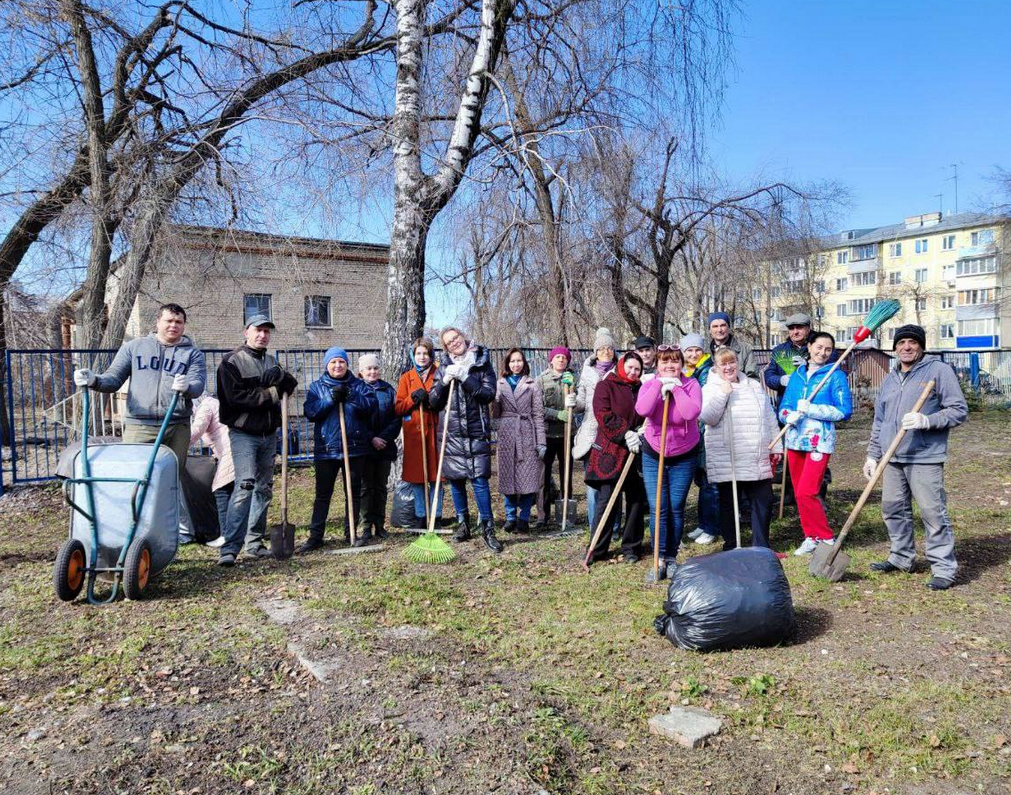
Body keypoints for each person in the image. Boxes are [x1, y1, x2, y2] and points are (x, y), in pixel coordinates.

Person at [864, 324, 968, 590]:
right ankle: (901, 558)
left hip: (924, 456)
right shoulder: (890, 378)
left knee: (933, 513)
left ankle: (944, 568)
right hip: (891, 456)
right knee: (892, 509)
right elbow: (880, 421)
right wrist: (873, 455)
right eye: (901, 343)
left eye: (912, 342)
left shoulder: (938, 371)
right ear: (895, 347)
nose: (906, 347)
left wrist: (927, 420)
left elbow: (958, 410)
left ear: (921, 346)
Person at [73, 303, 206, 473]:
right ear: (158, 322)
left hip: (177, 428)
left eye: (178, 322)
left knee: (172, 478)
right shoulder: (133, 348)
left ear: (184, 325)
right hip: (140, 426)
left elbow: (198, 385)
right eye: (169, 320)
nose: (173, 325)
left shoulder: (193, 354)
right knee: (135, 475)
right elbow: (113, 378)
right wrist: (93, 380)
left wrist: (187, 387)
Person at [216, 315, 297, 565]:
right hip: (244, 433)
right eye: (258, 330)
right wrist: (274, 392)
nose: (262, 335)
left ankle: (254, 543)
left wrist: (282, 377)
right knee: (245, 485)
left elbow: (291, 384)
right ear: (246, 332)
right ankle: (230, 548)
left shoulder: (271, 361)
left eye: (266, 331)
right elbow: (236, 398)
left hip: (268, 433)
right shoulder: (231, 362)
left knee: (264, 487)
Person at [778, 331, 853, 556]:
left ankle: (826, 537)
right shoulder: (797, 375)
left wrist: (811, 410)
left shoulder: (835, 376)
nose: (822, 353)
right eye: (819, 347)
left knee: (807, 491)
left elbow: (844, 411)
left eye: (828, 349)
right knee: (799, 492)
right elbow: (785, 406)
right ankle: (811, 536)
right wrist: (786, 415)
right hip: (794, 441)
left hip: (818, 442)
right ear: (809, 347)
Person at [700, 347, 782, 550]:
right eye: (723, 364)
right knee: (729, 502)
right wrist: (722, 394)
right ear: (716, 367)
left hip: (756, 453)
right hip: (728, 455)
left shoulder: (753, 385)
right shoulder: (710, 388)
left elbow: (769, 416)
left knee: (764, 499)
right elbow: (707, 418)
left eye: (732, 362)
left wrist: (776, 445)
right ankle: (732, 544)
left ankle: (761, 545)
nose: (729, 367)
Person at [428, 327, 501, 552]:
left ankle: (488, 528)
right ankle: (463, 524)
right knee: (457, 481)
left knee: (479, 480)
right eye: (449, 342)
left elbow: (488, 394)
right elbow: (433, 402)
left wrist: (465, 377)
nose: (454, 343)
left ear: (463, 337)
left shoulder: (481, 362)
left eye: (456, 338)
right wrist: (443, 382)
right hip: (451, 434)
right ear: (446, 347)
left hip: (476, 430)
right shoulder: (442, 368)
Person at [299, 347, 379, 553]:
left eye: (341, 362)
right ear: (327, 365)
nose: (337, 365)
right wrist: (331, 399)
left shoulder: (359, 386)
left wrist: (350, 395)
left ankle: (350, 533)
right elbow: (311, 412)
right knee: (322, 494)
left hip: (354, 449)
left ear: (347, 364)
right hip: (327, 449)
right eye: (333, 362)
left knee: (352, 493)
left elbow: (371, 407)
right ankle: (315, 537)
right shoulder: (317, 387)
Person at [635, 344, 702, 581]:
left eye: (674, 361)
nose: (670, 366)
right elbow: (642, 409)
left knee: (675, 507)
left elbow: (690, 413)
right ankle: (658, 559)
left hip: (684, 454)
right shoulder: (649, 383)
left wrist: (677, 390)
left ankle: (672, 557)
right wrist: (658, 387)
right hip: (655, 453)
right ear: (657, 364)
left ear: (681, 364)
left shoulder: (691, 385)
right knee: (657, 509)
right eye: (664, 362)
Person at [585, 351, 646, 564]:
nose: (633, 371)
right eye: (630, 367)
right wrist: (624, 433)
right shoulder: (606, 385)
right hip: (610, 452)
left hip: (636, 451)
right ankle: (597, 548)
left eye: (637, 369)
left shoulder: (642, 389)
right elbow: (602, 414)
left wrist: (640, 431)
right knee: (608, 500)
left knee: (636, 500)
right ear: (621, 366)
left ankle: (631, 548)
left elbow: (646, 413)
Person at [493, 348, 546, 533]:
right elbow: (495, 414)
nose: (516, 364)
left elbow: (538, 415)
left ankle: (523, 517)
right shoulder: (499, 384)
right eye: (512, 361)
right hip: (507, 435)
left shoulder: (532, 384)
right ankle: (510, 517)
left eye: (519, 361)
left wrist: (541, 442)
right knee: (507, 477)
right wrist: (493, 401)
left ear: (524, 363)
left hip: (527, 433)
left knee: (528, 479)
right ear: (507, 364)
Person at [572, 327, 619, 534]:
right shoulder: (587, 372)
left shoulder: (620, 371)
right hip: (591, 433)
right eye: (601, 349)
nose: (606, 352)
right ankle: (595, 528)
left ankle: (614, 527)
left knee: (612, 484)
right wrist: (573, 402)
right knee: (592, 487)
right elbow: (581, 403)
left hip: (612, 434)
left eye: (609, 348)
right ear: (595, 352)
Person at [394, 337, 444, 526]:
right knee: (417, 478)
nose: (422, 357)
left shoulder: (439, 374)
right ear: (413, 356)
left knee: (436, 478)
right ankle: (422, 516)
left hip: (435, 432)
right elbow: (398, 408)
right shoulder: (407, 378)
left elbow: (445, 400)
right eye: (418, 353)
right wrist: (413, 400)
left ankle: (436, 516)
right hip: (415, 435)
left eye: (426, 353)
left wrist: (431, 401)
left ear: (431, 355)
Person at [681, 333, 720, 545]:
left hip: (706, 432)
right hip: (692, 433)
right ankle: (703, 524)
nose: (694, 354)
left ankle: (712, 527)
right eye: (689, 350)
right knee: (701, 481)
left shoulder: (708, 371)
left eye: (697, 350)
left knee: (709, 482)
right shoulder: (686, 371)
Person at [358, 353, 400, 540]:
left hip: (384, 447)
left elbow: (396, 417)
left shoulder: (388, 390)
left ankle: (380, 525)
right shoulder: (356, 390)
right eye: (369, 368)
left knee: (381, 487)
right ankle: (365, 526)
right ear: (361, 371)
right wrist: (371, 438)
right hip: (365, 448)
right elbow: (355, 419)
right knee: (366, 488)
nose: (373, 371)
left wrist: (383, 438)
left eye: (375, 368)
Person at [535, 345, 576, 528]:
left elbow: (581, 403)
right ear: (551, 360)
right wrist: (556, 414)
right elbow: (536, 408)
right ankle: (543, 517)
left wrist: (573, 388)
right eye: (558, 357)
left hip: (567, 433)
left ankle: (566, 513)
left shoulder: (573, 378)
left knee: (566, 474)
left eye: (564, 357)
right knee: (543, 476)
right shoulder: (541, 380)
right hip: (547, 433)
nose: (561, 360)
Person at [189, 393, 233, 548]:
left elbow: (196, 430)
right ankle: (235, 532)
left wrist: (177, 441)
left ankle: (226, 535)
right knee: (234, 491)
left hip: (230, 452)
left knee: (221, 489)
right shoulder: (214, 403)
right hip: (230, 450)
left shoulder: (206, 405)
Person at [707, 311, 757, 378]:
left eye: (723, 325)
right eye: (715, 326)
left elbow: (753, 378)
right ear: (710, 330)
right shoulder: (704, 352)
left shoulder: (744, 350)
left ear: (729, 327)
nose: (719, 330)